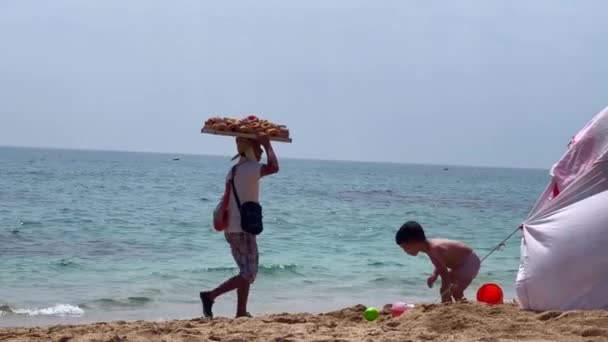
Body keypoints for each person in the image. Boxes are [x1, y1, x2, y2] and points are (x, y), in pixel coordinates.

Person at [200, 133, 279, 318]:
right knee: (249, 274)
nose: (260, 153)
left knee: (244, 273)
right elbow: (274, 167)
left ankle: (241, 311)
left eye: (261, 149)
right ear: (249, 149)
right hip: (243, 229)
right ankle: (210, 296)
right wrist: (268, 145)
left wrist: (263, 144)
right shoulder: (250, 169)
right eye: (258, 149)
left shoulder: (234, 170)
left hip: (231, 229)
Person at [395, 221, 480, 303]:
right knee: (451, 288)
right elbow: (442, 263)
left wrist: (444, 290)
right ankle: (455, 305)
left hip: (469, 263)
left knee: (452, 290)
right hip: (465, 262)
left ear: (413, 242)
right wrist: (435, 275)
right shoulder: (429, 247)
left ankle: (449, 306)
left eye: (404, 247)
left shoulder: (433, 250)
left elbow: (444, 273)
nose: (404, 251)